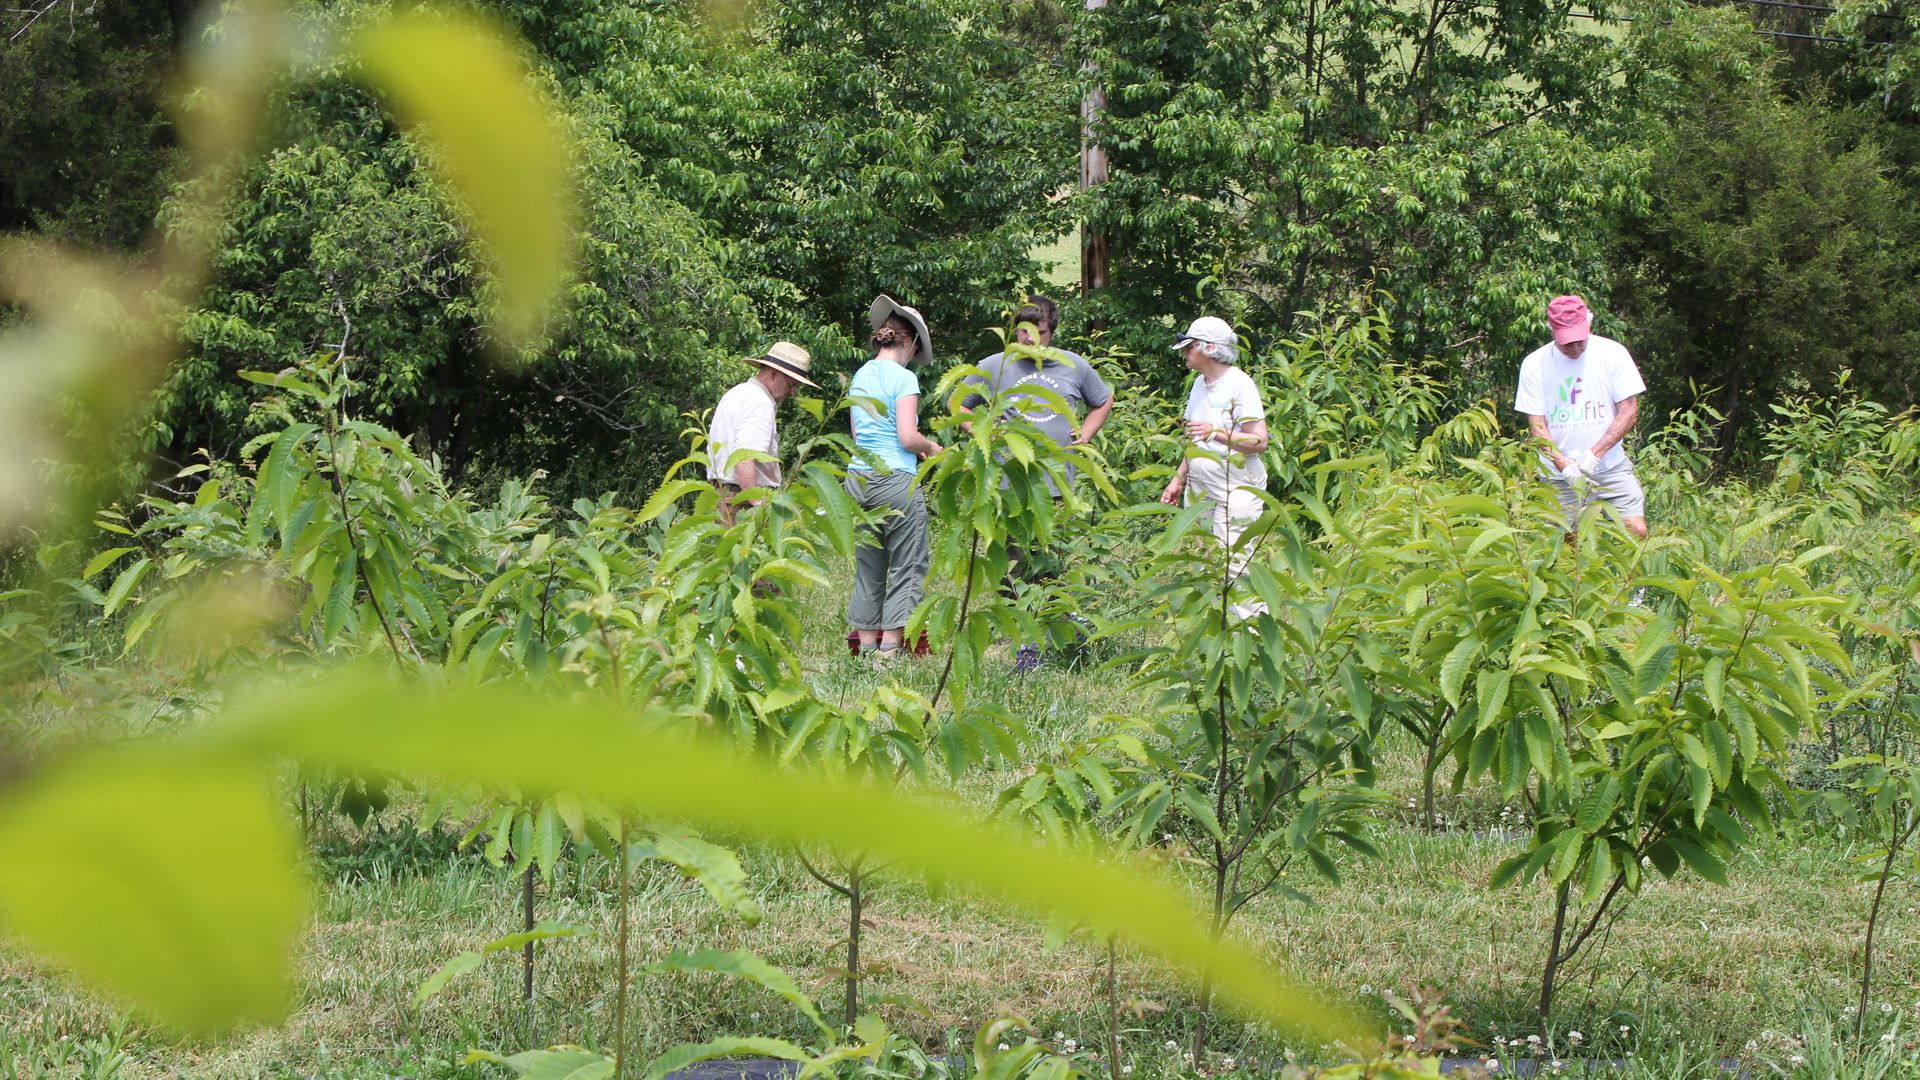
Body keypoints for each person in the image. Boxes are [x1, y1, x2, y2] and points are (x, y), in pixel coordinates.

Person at [955, 295, 1114, 672]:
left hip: (1055, 485)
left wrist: (1086, 433)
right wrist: (983, 430)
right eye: (1023, 333)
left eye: (1038, 333)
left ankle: (1052, 629)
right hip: (1007, 484)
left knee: (1048, 559)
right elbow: (959, 404)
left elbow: (1103, 400)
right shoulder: (995, 365)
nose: (1030, 341)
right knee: (1010, 562)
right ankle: (1022, 634)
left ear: (1051, 332)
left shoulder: (1073, 365)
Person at [845, 295, 943, 659]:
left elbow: (859, 436)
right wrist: (930, 447)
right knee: (908, 560)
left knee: (869, 562)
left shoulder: (860, 375)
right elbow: (906, 437)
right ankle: (890, 650)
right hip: (896, 480)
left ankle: (866, 648)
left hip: (858, 477)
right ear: (910, 342)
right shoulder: (905, 379)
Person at [1158, 316, 1270, 620]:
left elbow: (1259, 441)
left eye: (1189, 347)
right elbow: (1194, 437)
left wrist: (1217, 433)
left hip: (1236, 487)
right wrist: (1178, 478)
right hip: (1201, 487)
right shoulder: (1198, 384)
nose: (1184, 353)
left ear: (1208, 348)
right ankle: (1218, 634)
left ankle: (1256, 632)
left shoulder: (1238, 384)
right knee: (1205, 560)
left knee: (1233, 561)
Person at [1514, 295, 1649, 539]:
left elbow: (1628, 412)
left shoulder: (1613, 353)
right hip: (1558, 475)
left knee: (1635, 531)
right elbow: (1537, 425)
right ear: (1552, 331)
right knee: (1568, 544)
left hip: (1610, 467)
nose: (1575, 347)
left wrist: (1594, 455)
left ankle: (1626, 578)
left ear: (1589, 324)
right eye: (1567, 342)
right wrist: (1565, 466)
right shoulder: (1534, 364)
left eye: (1579, 340)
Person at [706, 340, 819, 525]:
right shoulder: (761, 403)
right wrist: (758, 504)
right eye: (792, 385)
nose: (792, 393)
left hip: (721, 495)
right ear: (775, 374)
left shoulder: (737, 393)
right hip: (741, 503)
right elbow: (744, 458)